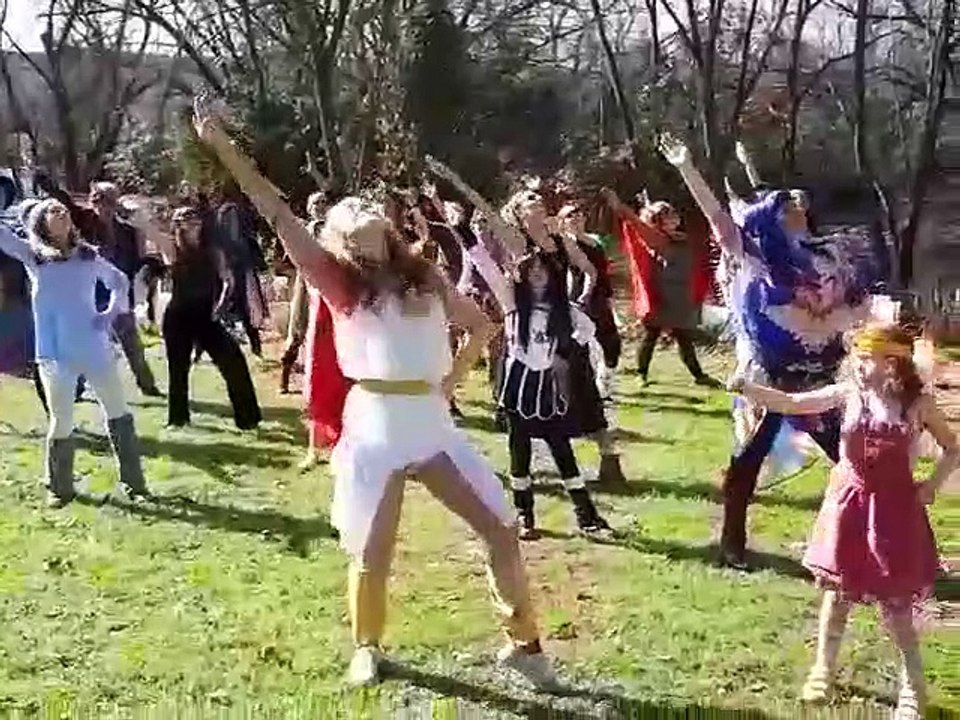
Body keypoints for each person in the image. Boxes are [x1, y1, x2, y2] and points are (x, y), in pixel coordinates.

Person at [193, 97, 557, 690]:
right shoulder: (337, 281)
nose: (360, 208)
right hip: (377, 428)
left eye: (368, 205)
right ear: (338, 237)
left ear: (386, 225)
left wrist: (452, 376)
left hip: (431, 424)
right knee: (372, 548)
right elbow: (278, 213)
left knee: (500, 529)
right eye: (347, 211)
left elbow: (485, 323)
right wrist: (223, 148)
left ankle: (525, 644)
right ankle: (366, 647)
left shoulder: (424, 273)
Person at [660, 135, 880, 568]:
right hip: (768, 376)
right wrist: (687, 168)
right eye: (787, 204)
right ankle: (731, 541)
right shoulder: (756, 256)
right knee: (746, 462)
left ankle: (867, 541)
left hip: (819, 379)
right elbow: (719, 220)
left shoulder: (831, 256)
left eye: (800, 202)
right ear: (774, 217)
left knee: (850, 460)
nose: (796, 205)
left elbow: (859, 303)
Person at [729, 323, 958, 720]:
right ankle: (823, 667)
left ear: (895, 363)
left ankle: (912, 686)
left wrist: (932, 485)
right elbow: (793, 402)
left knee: (897, 605)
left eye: (869, 359)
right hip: (849, 504)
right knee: (836, 595)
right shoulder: (848, 393)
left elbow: (952, 447)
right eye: (859, 357)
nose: (860, 366)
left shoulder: (918, 405)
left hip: (895, 510)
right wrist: (748, 388)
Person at [427, 157, 628, 485]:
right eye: (529, 200)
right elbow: (485, 210)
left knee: (584, 390)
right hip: (530, 329)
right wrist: (456, 181)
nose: (537, 201)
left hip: (563, 323)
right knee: (531, 394)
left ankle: (609, 463)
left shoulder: (561, 240)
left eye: (536, 198)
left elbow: (590, 271)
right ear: (519, 213)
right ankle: (527, 471)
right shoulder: (518, 242)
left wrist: (581, 298)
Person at [0, 199, 149, 507]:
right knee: (62, 420)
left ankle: (134, 483)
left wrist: (110, 312)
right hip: (54, 353)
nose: (61, 213)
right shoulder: (34, 257)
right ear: (41, 222)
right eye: (53, 210)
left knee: (118, 413)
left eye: (63, 210)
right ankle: (59, 488)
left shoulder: (87, 255)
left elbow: (118, 281)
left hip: (94, 347)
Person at [466, 238, 612, 538]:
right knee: (519, 454)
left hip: (549, 390)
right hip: (518, 390)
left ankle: (587, 516)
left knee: (563, 452)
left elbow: (588, 329)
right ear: (521, 276)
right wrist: (464, 232)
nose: (537, 278)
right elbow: (486, 266)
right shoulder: (512, 305)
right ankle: (524, 515)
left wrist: (565, 349)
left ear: (552, 277)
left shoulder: (564, 310)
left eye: (542, 273)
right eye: (531, 273)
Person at [34, 175, 161, 397]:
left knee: (133, 345)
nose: (101, 205)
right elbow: (65, 201)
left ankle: (147, 386)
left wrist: (151, 265)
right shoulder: (83, 220)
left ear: (114, 203)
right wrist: (49, 185)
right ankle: (78, 388)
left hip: (118, 296)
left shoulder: (128, 233)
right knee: (82, 344)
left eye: (106, 200)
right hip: (88, 297)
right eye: (97, 200)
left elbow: (135, 262)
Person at [602, 188, 720, 388]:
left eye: (674, 214)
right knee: (651, 336)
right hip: (662, 297)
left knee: (684, 338)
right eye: (668, 216)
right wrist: (618, 206)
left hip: (681, 297)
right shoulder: (657, 239)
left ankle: (699, 376)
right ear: (658, 221)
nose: (674, 218)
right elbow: (636, 223)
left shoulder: (682, 238)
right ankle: (642, 374)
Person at [162, 206, 261, 431]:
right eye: (186, 220)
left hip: (206, 315)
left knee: (234, 360)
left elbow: (228, 280)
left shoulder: (212, 250)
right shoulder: (172, 249)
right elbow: (151, 232)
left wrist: (221, 305)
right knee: (178, 369)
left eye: (195, 218)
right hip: (178, 316)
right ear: (177, 225)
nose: (193, 223)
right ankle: (178, 420)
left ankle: (248, 419)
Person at [558, 201, 622, 400]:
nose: (575, 217)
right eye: (569, 215)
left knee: (611, 343)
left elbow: (602, 273)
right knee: (582, 344)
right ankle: (581, 389)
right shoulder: (562, 245)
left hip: (599, 298)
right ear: (562, 222)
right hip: (576, 298)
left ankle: (605, 380)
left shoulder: (595, 241)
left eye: (578, 213)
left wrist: (610, 299)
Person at [217, 192, 268, 357]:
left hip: (245, 282)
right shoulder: (218, 242)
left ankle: (256, 349)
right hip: (225, 282)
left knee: (248, 316)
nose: (232, 222)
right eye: (228, 219)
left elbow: (259, 263)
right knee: (218, 314)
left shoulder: (247, 240)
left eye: (234, 218)